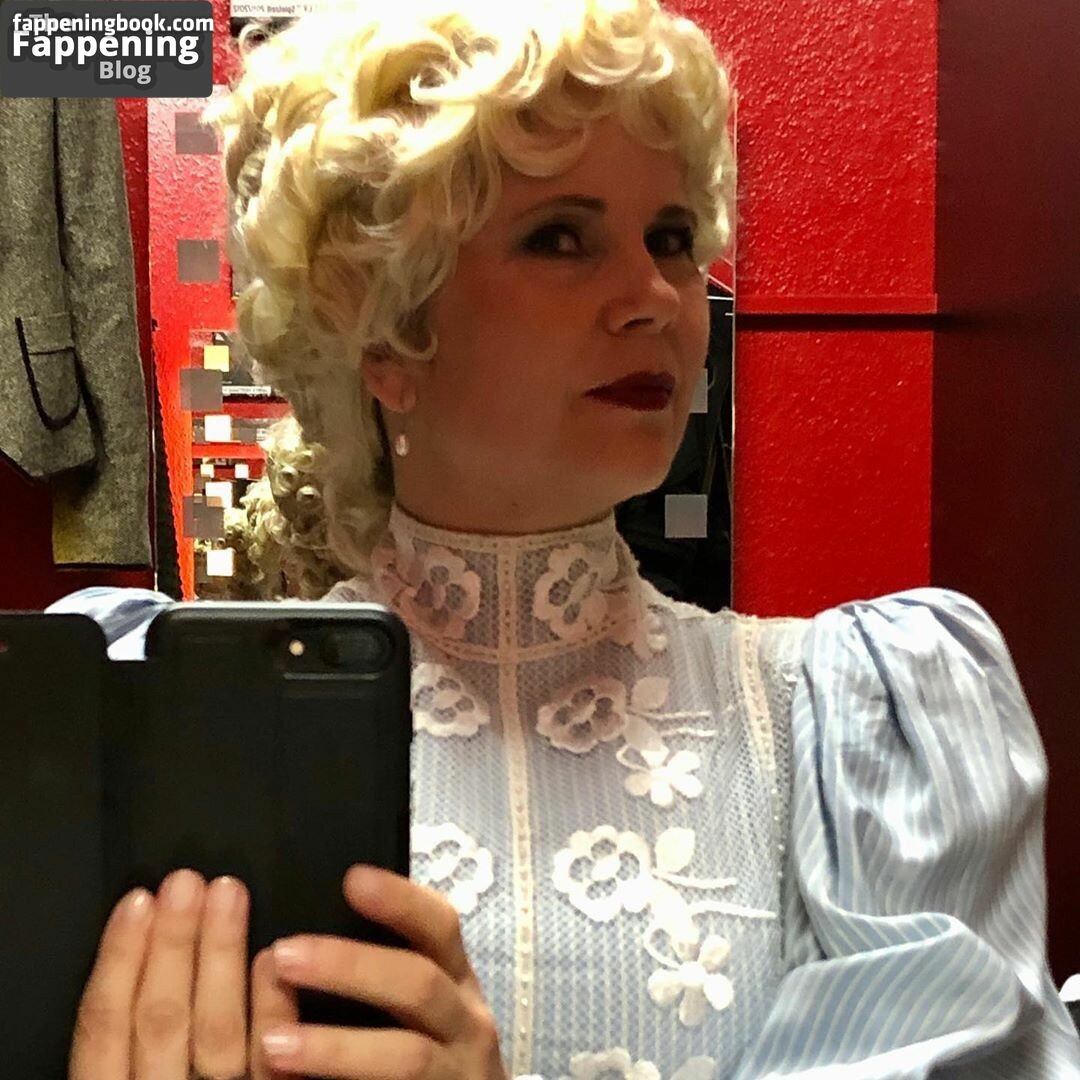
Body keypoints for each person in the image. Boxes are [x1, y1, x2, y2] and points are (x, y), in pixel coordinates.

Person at [59, 0, 1080, 1076]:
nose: (659, 299)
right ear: (385, 331)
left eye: (672, 238)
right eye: (560, 238)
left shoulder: (859, 727)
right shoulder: (130, 710)